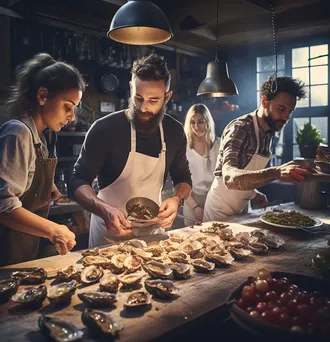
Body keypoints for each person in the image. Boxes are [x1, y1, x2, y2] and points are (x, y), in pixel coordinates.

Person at [70, 53, 192, 247]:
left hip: (153, 236)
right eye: (138, 98)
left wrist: (177, 200)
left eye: (154, 101)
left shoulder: (174, 131)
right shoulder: (105, 129)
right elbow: (77, 181)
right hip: (109, 237)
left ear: (167, 97)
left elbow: (183, 178)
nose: (144, 108)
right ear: (130, 88)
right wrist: (103, 210)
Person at [0, 53, 85, 268]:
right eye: (67, 107)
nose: (72, 117)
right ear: (42, 95)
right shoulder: (17, 133)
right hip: (0, 256)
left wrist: (43, 186)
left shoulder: (39, 138)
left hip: (22, 252)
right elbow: (0, 206)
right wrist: (54, 230)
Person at [204, 76, 311, 221]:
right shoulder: (240, 128)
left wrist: (253, 193)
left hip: (243, 208)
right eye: (281, 109)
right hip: (219, 210)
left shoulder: (269, 132)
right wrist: (276, 172)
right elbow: (229, 178)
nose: (286, 117)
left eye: (290, 112)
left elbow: (246, 169)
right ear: (264, 102)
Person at [183, 104, 220, 224]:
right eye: (192, 122)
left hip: (215, 200)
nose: (196, 126)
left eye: (200, 122)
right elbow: (179, 181)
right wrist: (195, 207)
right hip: (191, 201)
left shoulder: (219, 145)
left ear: (208, 122)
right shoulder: (184, 147)